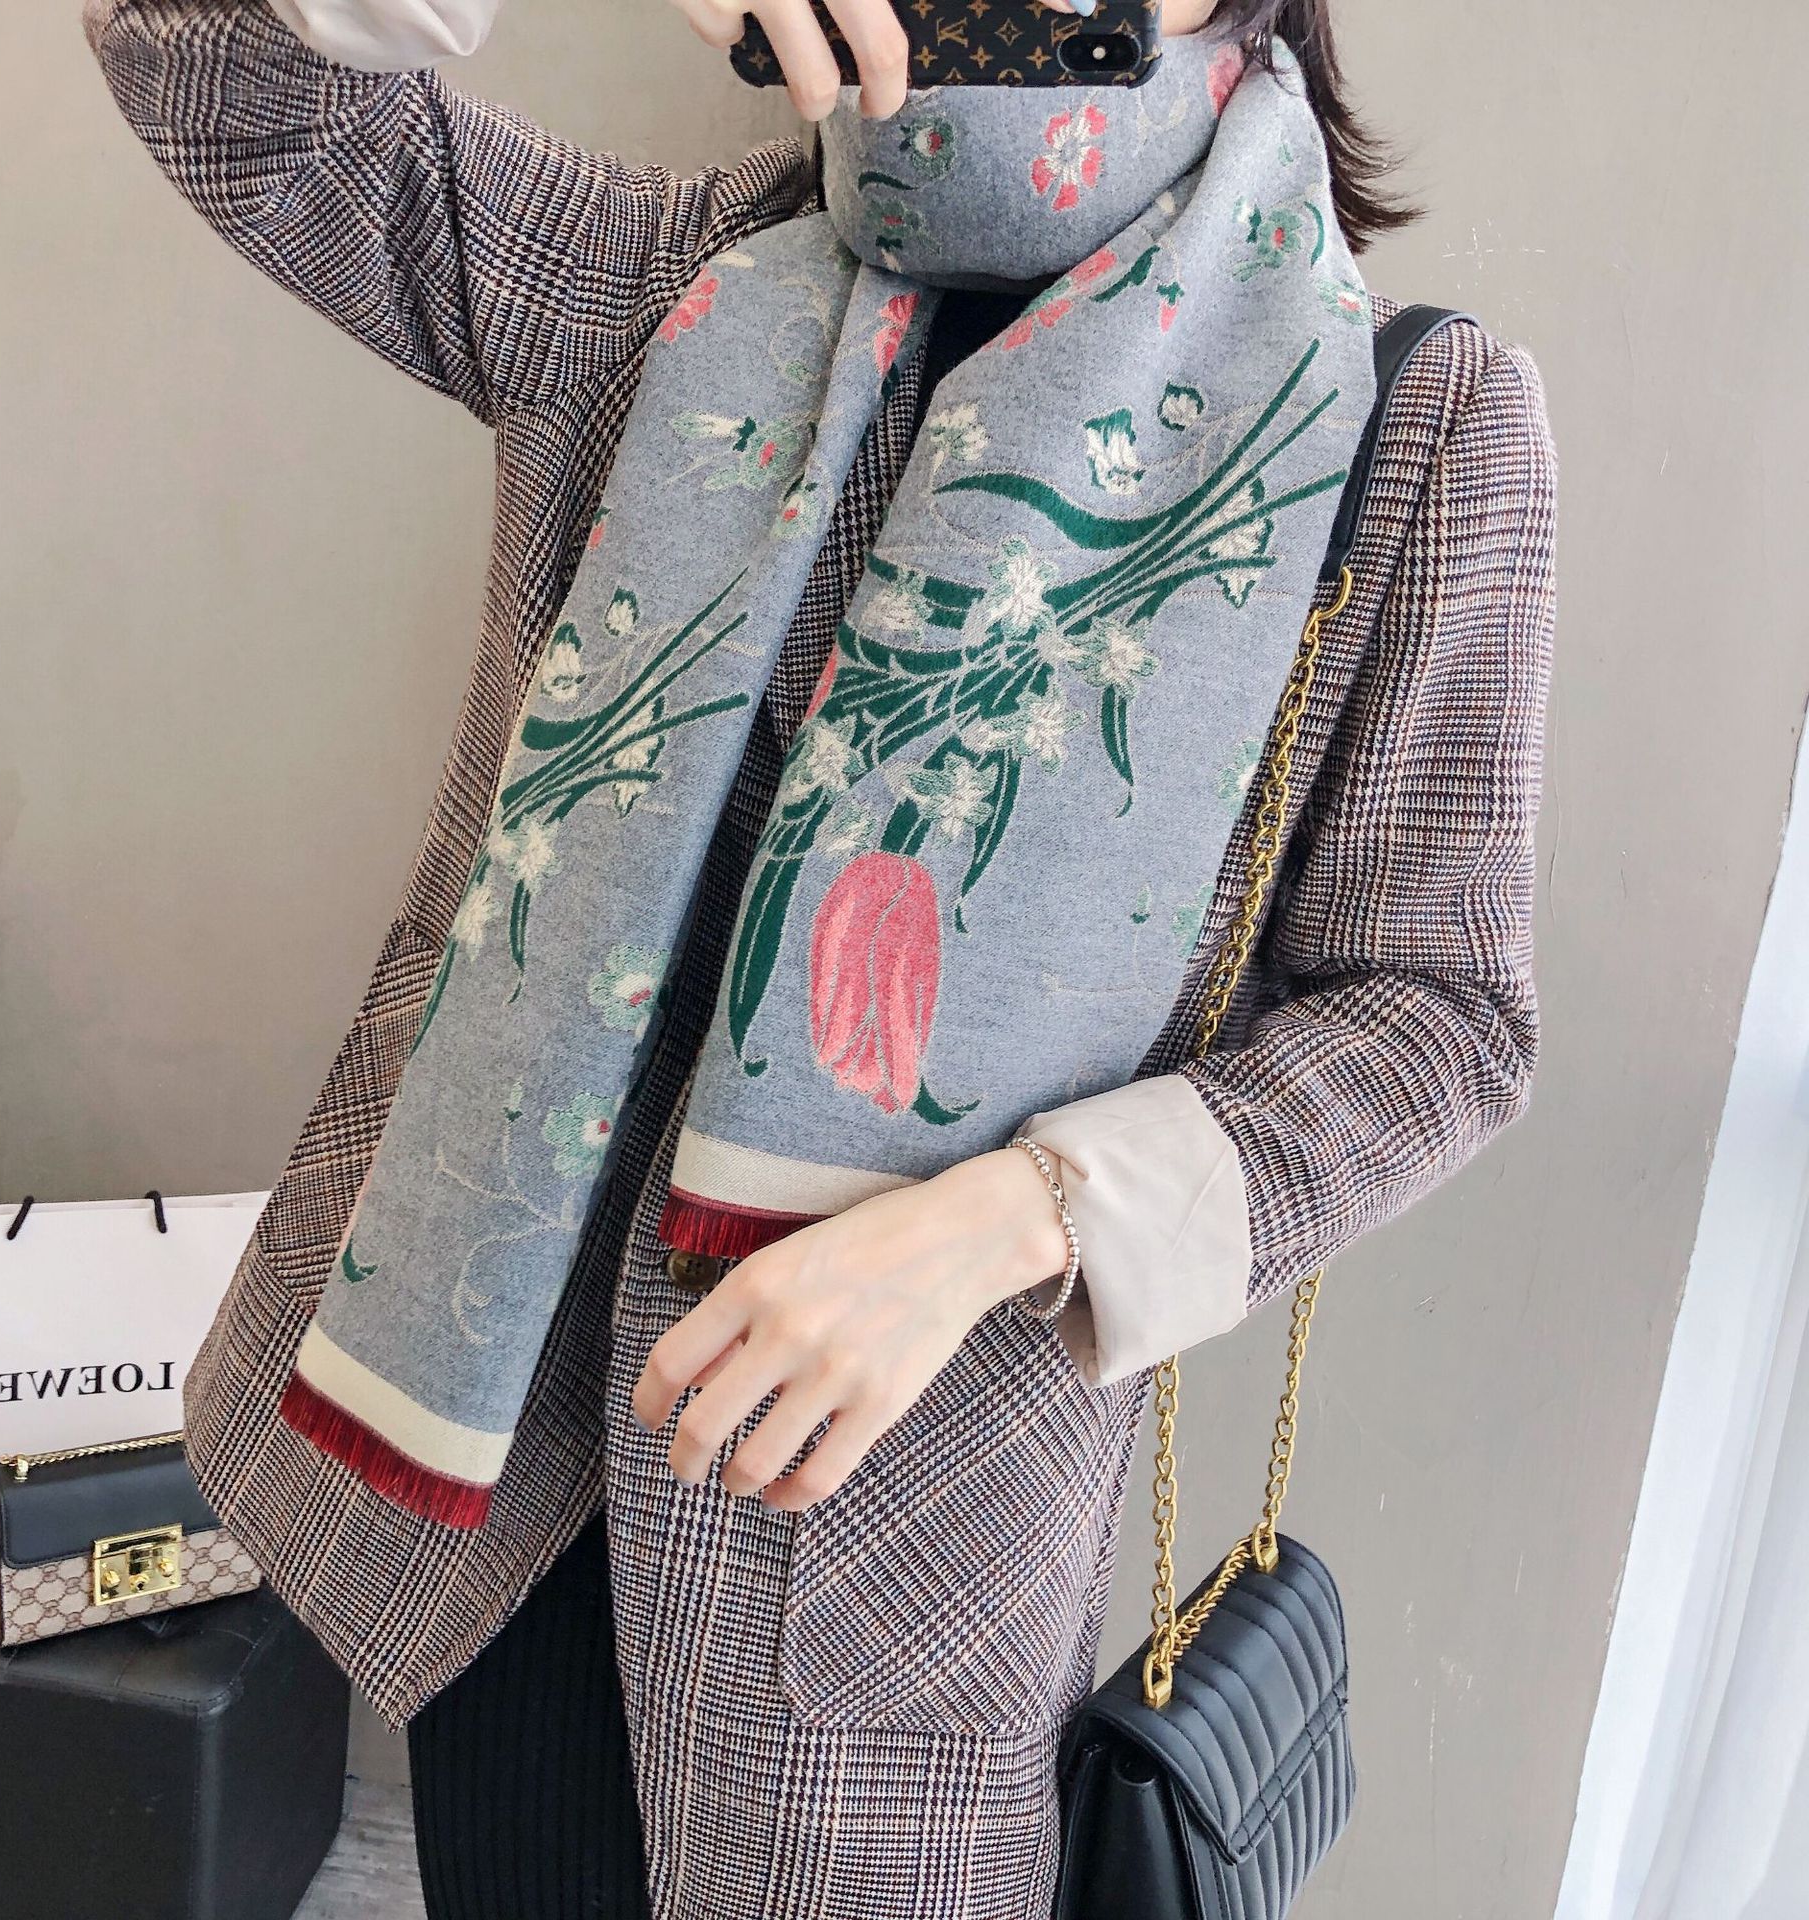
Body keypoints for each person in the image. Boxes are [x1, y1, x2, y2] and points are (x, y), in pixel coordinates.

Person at [82, 2, 1558, 1915]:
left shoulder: (1398, 417)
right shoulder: (674, 280)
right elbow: (223, 84)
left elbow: (1440, 1011)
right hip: (514, 1504)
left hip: (889, 1564)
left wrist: (1017, 1217)